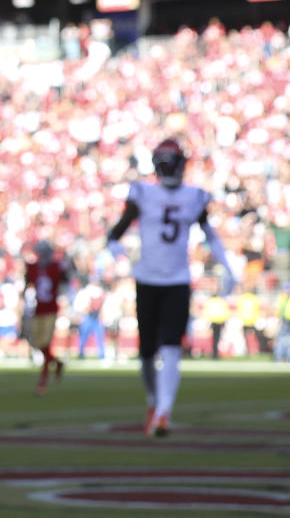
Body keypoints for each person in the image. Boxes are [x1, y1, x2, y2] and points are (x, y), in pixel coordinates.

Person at [106, 138, 236, 437]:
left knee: (171, 347)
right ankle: (154, 402)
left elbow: (210, 233)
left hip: (176, 280)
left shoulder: (192, 196)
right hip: (148, 279)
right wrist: (121, 258)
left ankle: (163, 412)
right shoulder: (144, 193)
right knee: (147, 352)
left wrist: (228, 265)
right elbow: (115, 235)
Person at [23, 240, 67, 395]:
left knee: (46, 344)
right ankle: (58, 363)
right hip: (38, 309)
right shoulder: (33, 267)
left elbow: (65, 280)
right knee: (38, 343)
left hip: (50, 310)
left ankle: (42, 381)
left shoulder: (56, 267)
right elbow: (27, 282)